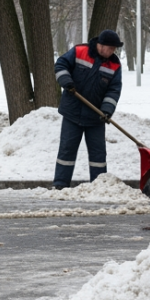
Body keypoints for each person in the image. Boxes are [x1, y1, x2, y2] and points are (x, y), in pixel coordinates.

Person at [52, 29, 124, 188]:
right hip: (72, 113)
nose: (112, 51)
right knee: (67, 150)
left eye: (114, 49)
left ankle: (99, 186)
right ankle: (60, 185)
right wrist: (66, 81)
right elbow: (61, 64)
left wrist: (107, 110)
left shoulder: (114, 64)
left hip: (96, 116)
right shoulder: (79, 51)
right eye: (110, 48)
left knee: (98, 155)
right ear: (101, 45)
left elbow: (114, 89)